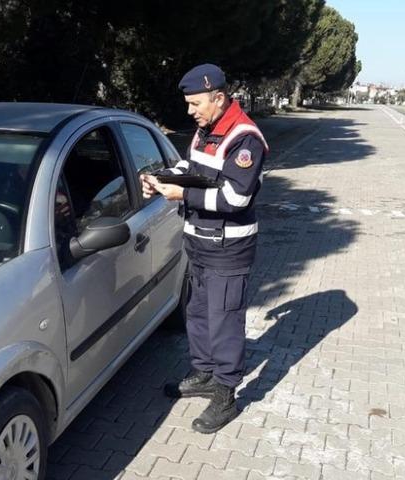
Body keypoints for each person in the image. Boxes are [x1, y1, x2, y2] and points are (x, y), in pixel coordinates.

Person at [140, 63, 268, 434]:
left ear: (218, 97)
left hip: (229, 248)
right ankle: (204, 373)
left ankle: (226, 393)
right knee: (197, 312)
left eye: (195, 103)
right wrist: (164, 179)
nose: (190, 111)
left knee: (225, 319)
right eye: (188, 103)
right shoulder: (204, 130)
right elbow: (189, 164)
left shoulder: (245, 138)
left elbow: (235, 197)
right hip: (198, 242)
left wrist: (184, 193)